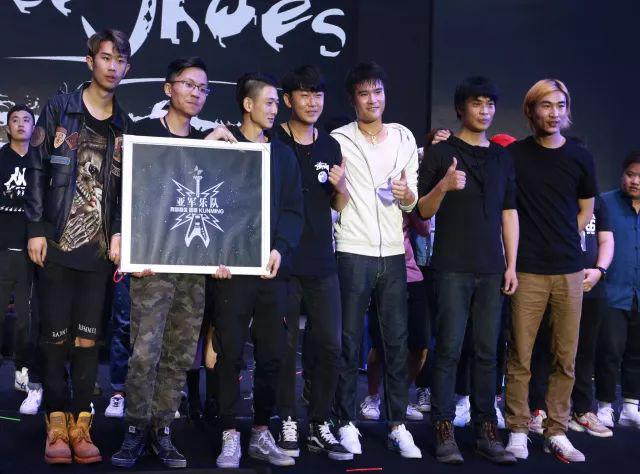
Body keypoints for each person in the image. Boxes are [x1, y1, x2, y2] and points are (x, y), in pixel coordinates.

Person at [111, 56, 235, 469]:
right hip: (151, 263)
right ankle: (135, 428)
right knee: (144, 351)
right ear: (169, 89)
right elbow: (126, 194)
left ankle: (162, 429)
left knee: (180, 353)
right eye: (188, 84)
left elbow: (224, 206)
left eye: (203, 88)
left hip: (193, 267)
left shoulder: (207, 141)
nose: (196, 93)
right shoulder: (143, 133)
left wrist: (227, 256)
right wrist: (125, 242)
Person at [24, 29, 131, 465]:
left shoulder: (124, 124)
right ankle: (55, 422)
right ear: (90, 61)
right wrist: (36, 227)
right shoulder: (59, 108)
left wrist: (120, 233)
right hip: (55, 242)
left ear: (126, 68)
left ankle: (82, 422)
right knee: (54, 338)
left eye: (120, 60)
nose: (112, 66)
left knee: (88, 341)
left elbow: (126, 190)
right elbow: (36, 167)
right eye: (105, 57)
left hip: (99, 251)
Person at [417, 76, 518, 465]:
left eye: (490, 103)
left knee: (488, 352)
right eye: (477, 103)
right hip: (452, 267)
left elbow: (509, 213)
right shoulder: (442, 152)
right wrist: (443, 185)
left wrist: (512, 264)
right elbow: (422, 211)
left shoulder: (502, 157)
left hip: (492, 269)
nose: (485, 110)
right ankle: (443, 428)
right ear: (461, 109)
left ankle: (486, 429)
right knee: (448, 349)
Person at [212, 72, 304, 469]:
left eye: (276, 102)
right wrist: (211, 257)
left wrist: (280, 248)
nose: (275, 109)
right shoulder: (225, 147)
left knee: (271, 356)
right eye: (268, 102)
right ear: (247, 105)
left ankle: (262, 431)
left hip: (271, 272)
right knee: (229, 354)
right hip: (230, 273)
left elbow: (293, 211)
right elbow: (206, 205)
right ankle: (229, 433)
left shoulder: (282, 155)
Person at [331, 61, 422, 459]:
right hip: (352, 249)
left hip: (394, 253)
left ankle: (397, 424)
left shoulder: (403, 137)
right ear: (353, 100)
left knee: (396, 343)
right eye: (364, 93)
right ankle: (345, 421)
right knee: (349, 341)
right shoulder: (338, 139)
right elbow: (334, 202)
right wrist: (338, 190)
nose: (373, 100)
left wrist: (406, 194)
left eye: (378, 91)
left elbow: (412, 200)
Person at [504, 79, 597, 463]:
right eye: (546, 105)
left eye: (560, 105)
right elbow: (507, 211)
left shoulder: (579, 156)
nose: (554, 113)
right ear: (531, 110)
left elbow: (586, 207)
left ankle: (556, 431)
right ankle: (517, 429)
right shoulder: (515, 156)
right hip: (527, 270)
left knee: (565, 357)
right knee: (521, 356)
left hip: (569, 270)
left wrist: (564, 236)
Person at [273, 65, 352, 461]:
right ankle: (287, 418)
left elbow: (339, 203)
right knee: (285, 347)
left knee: (330, 343)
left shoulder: (331, 146)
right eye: (304, 94)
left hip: (322, 260)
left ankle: (320, 422)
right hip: (283, 259)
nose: (312, 102)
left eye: (318, 94)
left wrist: (342, 188)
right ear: (288, 100)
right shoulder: (274, 140)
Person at [0, 104, 41, 412]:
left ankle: (22, 373)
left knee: (27, 321)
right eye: (15, 120)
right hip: (2, 251)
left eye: (26, 119)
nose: (21, 124)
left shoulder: (39, 162)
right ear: (7, 127)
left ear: (33, 127)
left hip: (30, 253)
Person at [595, 152, 640, 430]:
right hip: (612, 291)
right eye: (630, 174)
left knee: (636, 352)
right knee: (609, 351)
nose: (635, 181)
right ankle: (604, 405)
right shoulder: (605, 202)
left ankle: (631, 406)